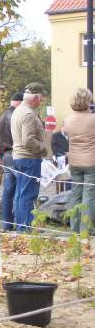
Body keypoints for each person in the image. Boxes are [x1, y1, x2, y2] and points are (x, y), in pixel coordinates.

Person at [11, 82, 48, 232]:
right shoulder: (28, 114)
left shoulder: (19, 110)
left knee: (20, 193)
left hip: (19, 157)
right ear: (35, 98)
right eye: (41, 98)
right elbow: (28, 140)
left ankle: (21, 225)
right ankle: (25, 227)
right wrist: (43, 148)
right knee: (28, 194)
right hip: (29, 158)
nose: (42, 101)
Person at [64, 87, 95, 235]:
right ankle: (86, 229)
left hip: (74, 161)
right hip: (91, 161)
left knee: (75, 194)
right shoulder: (93, 119)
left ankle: (74, 228)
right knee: (89, 195)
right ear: (87, 100)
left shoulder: (68, 120)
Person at [0, 92, 23, 231]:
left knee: (8, 191)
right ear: (19, 102)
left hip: (6, 155)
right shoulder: (17, 115)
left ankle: (6, 224)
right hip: (17, 153)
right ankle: (22, 223)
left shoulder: (3, 115)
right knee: (21, 190)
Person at [51, 120, 71, 193]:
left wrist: (71, 153)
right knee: (61, 180)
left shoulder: (71, 135)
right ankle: (60, 194)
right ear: (63, 126)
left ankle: (69, 193)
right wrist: (64, 154)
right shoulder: (55, 136)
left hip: (71, 161)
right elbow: (54, 148)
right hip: (61, 161)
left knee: (70, 179)